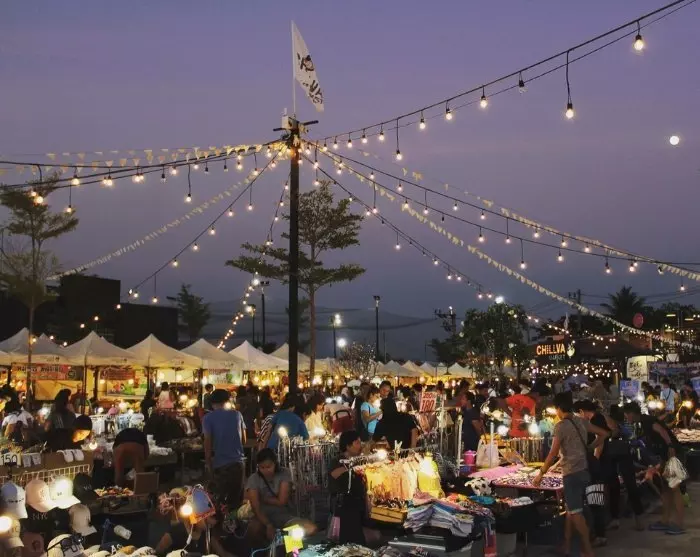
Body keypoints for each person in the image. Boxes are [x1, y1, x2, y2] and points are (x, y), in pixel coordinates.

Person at [534, 393, 609, 557]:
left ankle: (588, 550)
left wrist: (541, 473)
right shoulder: (580, 421)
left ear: (558, 408)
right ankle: (567, 546)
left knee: (576, 514)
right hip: (584, 471)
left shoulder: (560, 426)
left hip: (571, 474)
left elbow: (553, 453)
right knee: (571, 510)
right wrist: (590, 447)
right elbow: (604, 433)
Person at [623, 402, 684, 535]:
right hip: (665, 457)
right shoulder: (643, 422)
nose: (626, 418)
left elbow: (662, 431)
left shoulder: (647, 420)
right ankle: (664, 521)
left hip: (671, 455)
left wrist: (670, 446)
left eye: (626, 415)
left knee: (675, 488)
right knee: (666, 489)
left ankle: (679, 524)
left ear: (631, 413)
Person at [245, 448, 316, 542]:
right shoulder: (253, 479)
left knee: (311, 528)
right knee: (253, 530)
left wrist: (264, 499)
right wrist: (268, 524)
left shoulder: (284, 473)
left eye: (268, 467)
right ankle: (265, 549)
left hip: (284, 515)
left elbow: (282, 501)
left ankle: (289, 547)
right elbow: (256, 508)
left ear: (275, 464)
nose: (265, 470)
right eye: (262, 467)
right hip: (262, 517)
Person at [573, 399, 610, 547]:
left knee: (591, 501)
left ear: (580, 412)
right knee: (594, 501)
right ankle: (598, 534)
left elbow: (603, 436)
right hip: (591, 464)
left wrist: (591, 451)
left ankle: (596, 535)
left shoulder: (584, 423)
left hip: (589, 465)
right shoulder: (588, 422)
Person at [203, 389, 246, 509]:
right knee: (236, 503)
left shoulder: (208, 418)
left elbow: (208, 444)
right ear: (227, 401)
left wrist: (209, 464)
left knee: (219, 503)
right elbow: (244, 440)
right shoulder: (237, 414)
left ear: (212, 403)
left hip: (220, 465)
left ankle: (221, 520)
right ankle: (235, 520)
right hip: (238, 464)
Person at [605, 404, 644, 531]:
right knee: (627, 485)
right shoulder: (625, 423)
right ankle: (637, 519)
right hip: (623, 455)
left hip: (614, 455)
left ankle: (617, 518)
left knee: (618, 486)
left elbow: (623, 435)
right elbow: (632, 437)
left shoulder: (613, 422)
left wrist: (612, 433)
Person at [329, 431, 369, 544]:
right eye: (357, 443)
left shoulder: (360, 460)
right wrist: (353, 465)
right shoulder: (337, 461)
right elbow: (335, 474)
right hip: (344, 505)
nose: (360, 446)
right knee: (347, 539)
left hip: (358, 504)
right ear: (348, 446)